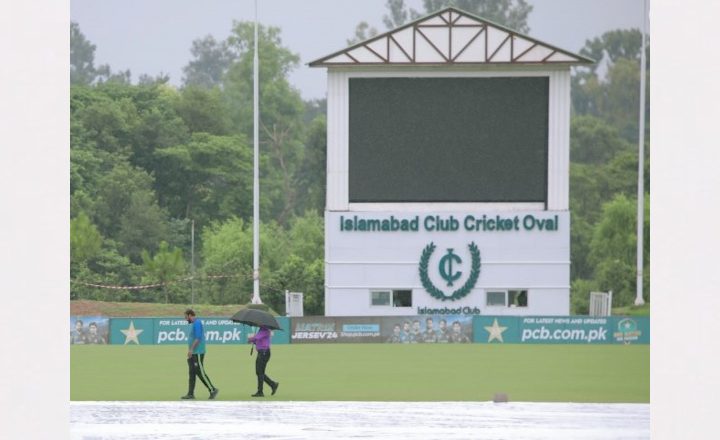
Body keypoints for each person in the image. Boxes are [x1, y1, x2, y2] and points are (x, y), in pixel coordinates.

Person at [181, 309, 219, 400]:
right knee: (192, 373)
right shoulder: (194, 324)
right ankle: (190, 393)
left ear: (190, 315)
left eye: (186, 317)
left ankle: (212, 389)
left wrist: (191, 350)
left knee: (200, 372)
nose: (186, 319)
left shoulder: (197, 323)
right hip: (193, 352)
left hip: (198, 352)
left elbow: (198, 338)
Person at [248, 325, 279, 397]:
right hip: (262, 353)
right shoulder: (262, 330)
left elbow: (256, 338)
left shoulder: (264, 330)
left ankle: (261, 391)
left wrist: (251, 339)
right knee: (260, 372)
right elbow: (258, 340)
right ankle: (272, 385)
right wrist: (254, 341)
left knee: (260, 372)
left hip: (263, 353)